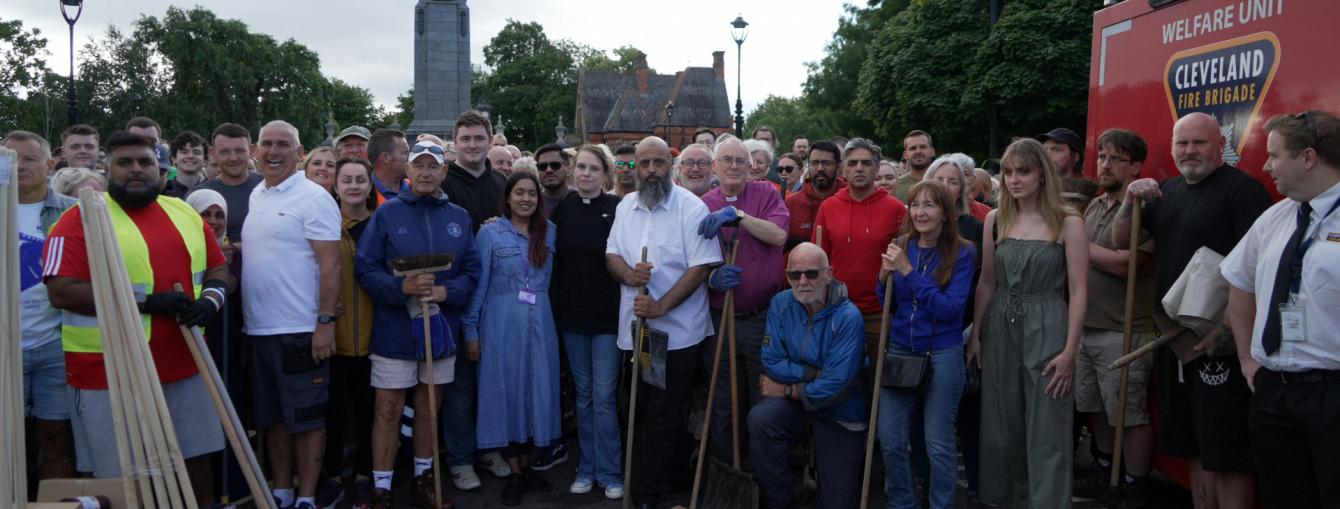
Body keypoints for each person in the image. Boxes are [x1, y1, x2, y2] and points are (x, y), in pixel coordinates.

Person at [44, 131, 227, 506]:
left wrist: (211, 301)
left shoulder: (184, 213)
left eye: (145, 161)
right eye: (124, 163)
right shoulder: (77, 219)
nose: (136, 170)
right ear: (107, 167)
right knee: (118, 478)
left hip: (185, 365)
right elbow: (62, 290)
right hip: (107, 371)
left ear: (160, 167)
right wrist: (144, 302)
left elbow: (218, 270)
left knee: (195, 464)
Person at [1115, 112, 1270, 509]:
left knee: (1228, 451)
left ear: (1221, 145)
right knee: (1192, 445)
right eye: (1182, 143)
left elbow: (1259, 269)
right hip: (1173, 339)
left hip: (1218, 342)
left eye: (1199, 143)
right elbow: (1123, 241)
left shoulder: (1243, 192)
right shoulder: (1165, 191)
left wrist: (1226, 331)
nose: (1189, 151)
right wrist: (1130, 200)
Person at [1222, 110, 1340, 509]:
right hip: (1273, 391)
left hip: (1331, 392)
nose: (1265, 165)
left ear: (1308, 158)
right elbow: (1239, 284)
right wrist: (1245, 359)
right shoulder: (1276, 217)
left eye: (1274, 155)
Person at [356, 140, 480, 509]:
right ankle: (381, 488)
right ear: (407, 171)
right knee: (388, 410)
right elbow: (365, 267)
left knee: (428, 408)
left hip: (440, 328)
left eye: (433, 167)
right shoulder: (387, 214)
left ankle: (425, 480)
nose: (426, 173)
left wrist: (446, 291)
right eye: (418, 166)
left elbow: (473, 271)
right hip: (394, 331)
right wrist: (400, 287)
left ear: (444, 172)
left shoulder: (458, 216)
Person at [968, 137, 1088, 508]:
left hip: (1049, 323)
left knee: (1047, 423)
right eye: (1007, 172)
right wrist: (976, 335)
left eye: (1024, 171)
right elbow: (988, 280)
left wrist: (1070, 351)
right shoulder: (994, 218)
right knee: (1002, 421)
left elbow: (1079, 291)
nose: (1014, 179)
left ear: (1042, 174)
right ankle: (1005, 499)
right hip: (1000, 324)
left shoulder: (1068, 221)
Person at [605, 136, 722, 509]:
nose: (652, 170)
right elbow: (611, 255)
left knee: (665, 413)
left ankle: (653, 492)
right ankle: (658, 481)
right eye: (645, 164)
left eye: (659, 163)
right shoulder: (626, 206)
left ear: (670, 167)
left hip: (676, 335)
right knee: (637, 409)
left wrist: (661, 306)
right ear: (635, 167)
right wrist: (628, 275)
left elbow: (701, 267)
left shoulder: (692, 207)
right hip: (637, 332)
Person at [241, 120, 343, 509]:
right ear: (255, 149)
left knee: (307, 419)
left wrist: (324, 324)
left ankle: (307, 497)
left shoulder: (313, 197)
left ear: (299, 154)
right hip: (260, 328)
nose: (273, 150)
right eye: (266, 143)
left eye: (283, 144)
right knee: (274, 419)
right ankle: (281, 492)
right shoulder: (258, 195)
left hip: (300, 328)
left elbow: (330, 266)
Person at [1069, 128, 1158, 506]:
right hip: (1089, 325)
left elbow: (1127, 264)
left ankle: (1136, 484)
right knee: (1098, 409)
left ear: (1136, 166)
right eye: (1102, 156)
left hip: (1124, 329)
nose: (1104, 164)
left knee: (1129, 412)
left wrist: (1077, 244)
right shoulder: (1096, 203)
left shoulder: (1144, 205)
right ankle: (1107, 472)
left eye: (1114, 158)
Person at [875, 181, 977, 509]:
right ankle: (903, 503)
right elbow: (888, 303)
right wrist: (882, 278)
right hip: (902, 348)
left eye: (929, 205)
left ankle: (940, 504)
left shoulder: (963, 251)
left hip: (943, 352)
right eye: (915, 204)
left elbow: (950, 310)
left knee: (938, 442)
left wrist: (909, 272)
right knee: (890, 439)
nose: (920, 212)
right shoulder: (901, 244)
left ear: (946, 213)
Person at [462, 172, 561, 506]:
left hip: (540, 323)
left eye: (531, 193)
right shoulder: (490, 233)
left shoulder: (550, 233)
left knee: (538, 390)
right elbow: (479, 285)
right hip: (501, 323)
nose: (526, 199)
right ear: (508, 197)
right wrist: (471, 331)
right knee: (508, 393)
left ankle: (529, 466)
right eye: (519, 193)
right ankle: (516, 473)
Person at [748, 242, 867, 509]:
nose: (803, 281)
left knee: (838, 502)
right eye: (794, 274)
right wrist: (813, 373)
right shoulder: (780, 304)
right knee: (762, 419)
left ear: (828, 273)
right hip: (796, 407)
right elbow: (771, 360)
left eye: (812, 273)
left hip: (840, 411)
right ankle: (779, 501)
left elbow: (836, 385)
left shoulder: (848, 317)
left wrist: (790, 390)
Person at [698, 138, 790, 465]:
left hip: (759, 319)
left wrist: (738, 216)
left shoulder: (765, 193)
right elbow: (690, 258)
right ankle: (728, 471)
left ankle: (761, 473)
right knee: (722, 403)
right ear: (715, 167)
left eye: (741, 160)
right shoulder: (703, 203)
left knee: (762, 400)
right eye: (727, 160)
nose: (735, 166)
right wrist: (711, 279)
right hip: (719, 317)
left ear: (750, 166)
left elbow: (778, 236)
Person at [550, 145, 625, 499]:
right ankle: (587, 468)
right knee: (583, 396)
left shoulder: (618, 209)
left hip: (608, 317)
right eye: (580, 167)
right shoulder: (562, 208)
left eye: (593, 168)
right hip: (572, 316)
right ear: (572, 171)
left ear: (605, 174)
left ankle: (610, 472)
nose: (585, 174)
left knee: (605, 396)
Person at [5, 130, 79, 481]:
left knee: (57, 437)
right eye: (11, 158)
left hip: (55, 342)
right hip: (5, 345)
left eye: (30, 158)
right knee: (7, 442)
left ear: (50, 164)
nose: (20, 166)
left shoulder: (71, 213)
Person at [814, 138, 908, 362]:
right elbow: (819, 258)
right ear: (843, 169)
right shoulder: (828, 207)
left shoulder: (895, 208)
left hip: (880, 312)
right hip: (838, 308)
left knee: (879, 378)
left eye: (866, 163)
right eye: (853, 163)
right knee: (840, 376)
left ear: (876, 169)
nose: (859, 168)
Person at [320, 157, 378, 504]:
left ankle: (366, 472)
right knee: (335, 412)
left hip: (374, 336)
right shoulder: (324, 225)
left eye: (360, 180)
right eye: (347, 180)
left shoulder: (381, 224)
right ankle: (332, 474)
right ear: (335, 185)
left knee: (370, 410)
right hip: (335, 335)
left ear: (370, 185)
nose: (354, 186)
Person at [193, 123, 263, 245]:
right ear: (213, 153)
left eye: (240, 151)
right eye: (225, 152)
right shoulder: (199, 196)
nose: (233, 158)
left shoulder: (271, 187)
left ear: (251, 150)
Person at [784, 141, 845, 250]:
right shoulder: (791, 203)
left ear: (839, 166)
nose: (820, 168)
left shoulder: (848, 201)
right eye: (814, 163)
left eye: (826, 163)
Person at [925, 156, 985, 246]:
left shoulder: (975, 228)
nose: (945, 186)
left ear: (961, 191)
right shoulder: (915, 220)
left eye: (953, 182)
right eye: (939, 180)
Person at [1037, 127, 1099, 213]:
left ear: (1076, 157)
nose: (1047, 155)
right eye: (1044, 150)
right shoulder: (1035, 187)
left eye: (1057, 150)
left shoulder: (1086, 195)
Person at [896, 130, 936, 203]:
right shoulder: (896, 186)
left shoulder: (943, 182)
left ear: (932, 151)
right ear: (905, 155)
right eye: (913, 148)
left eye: (923, 147)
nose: (918, 151)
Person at [535, 143, 572, 216]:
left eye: (555, 165)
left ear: (568, 168)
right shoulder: (532, 204)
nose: (548, 170)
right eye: (542, 166)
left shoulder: (581, 201)